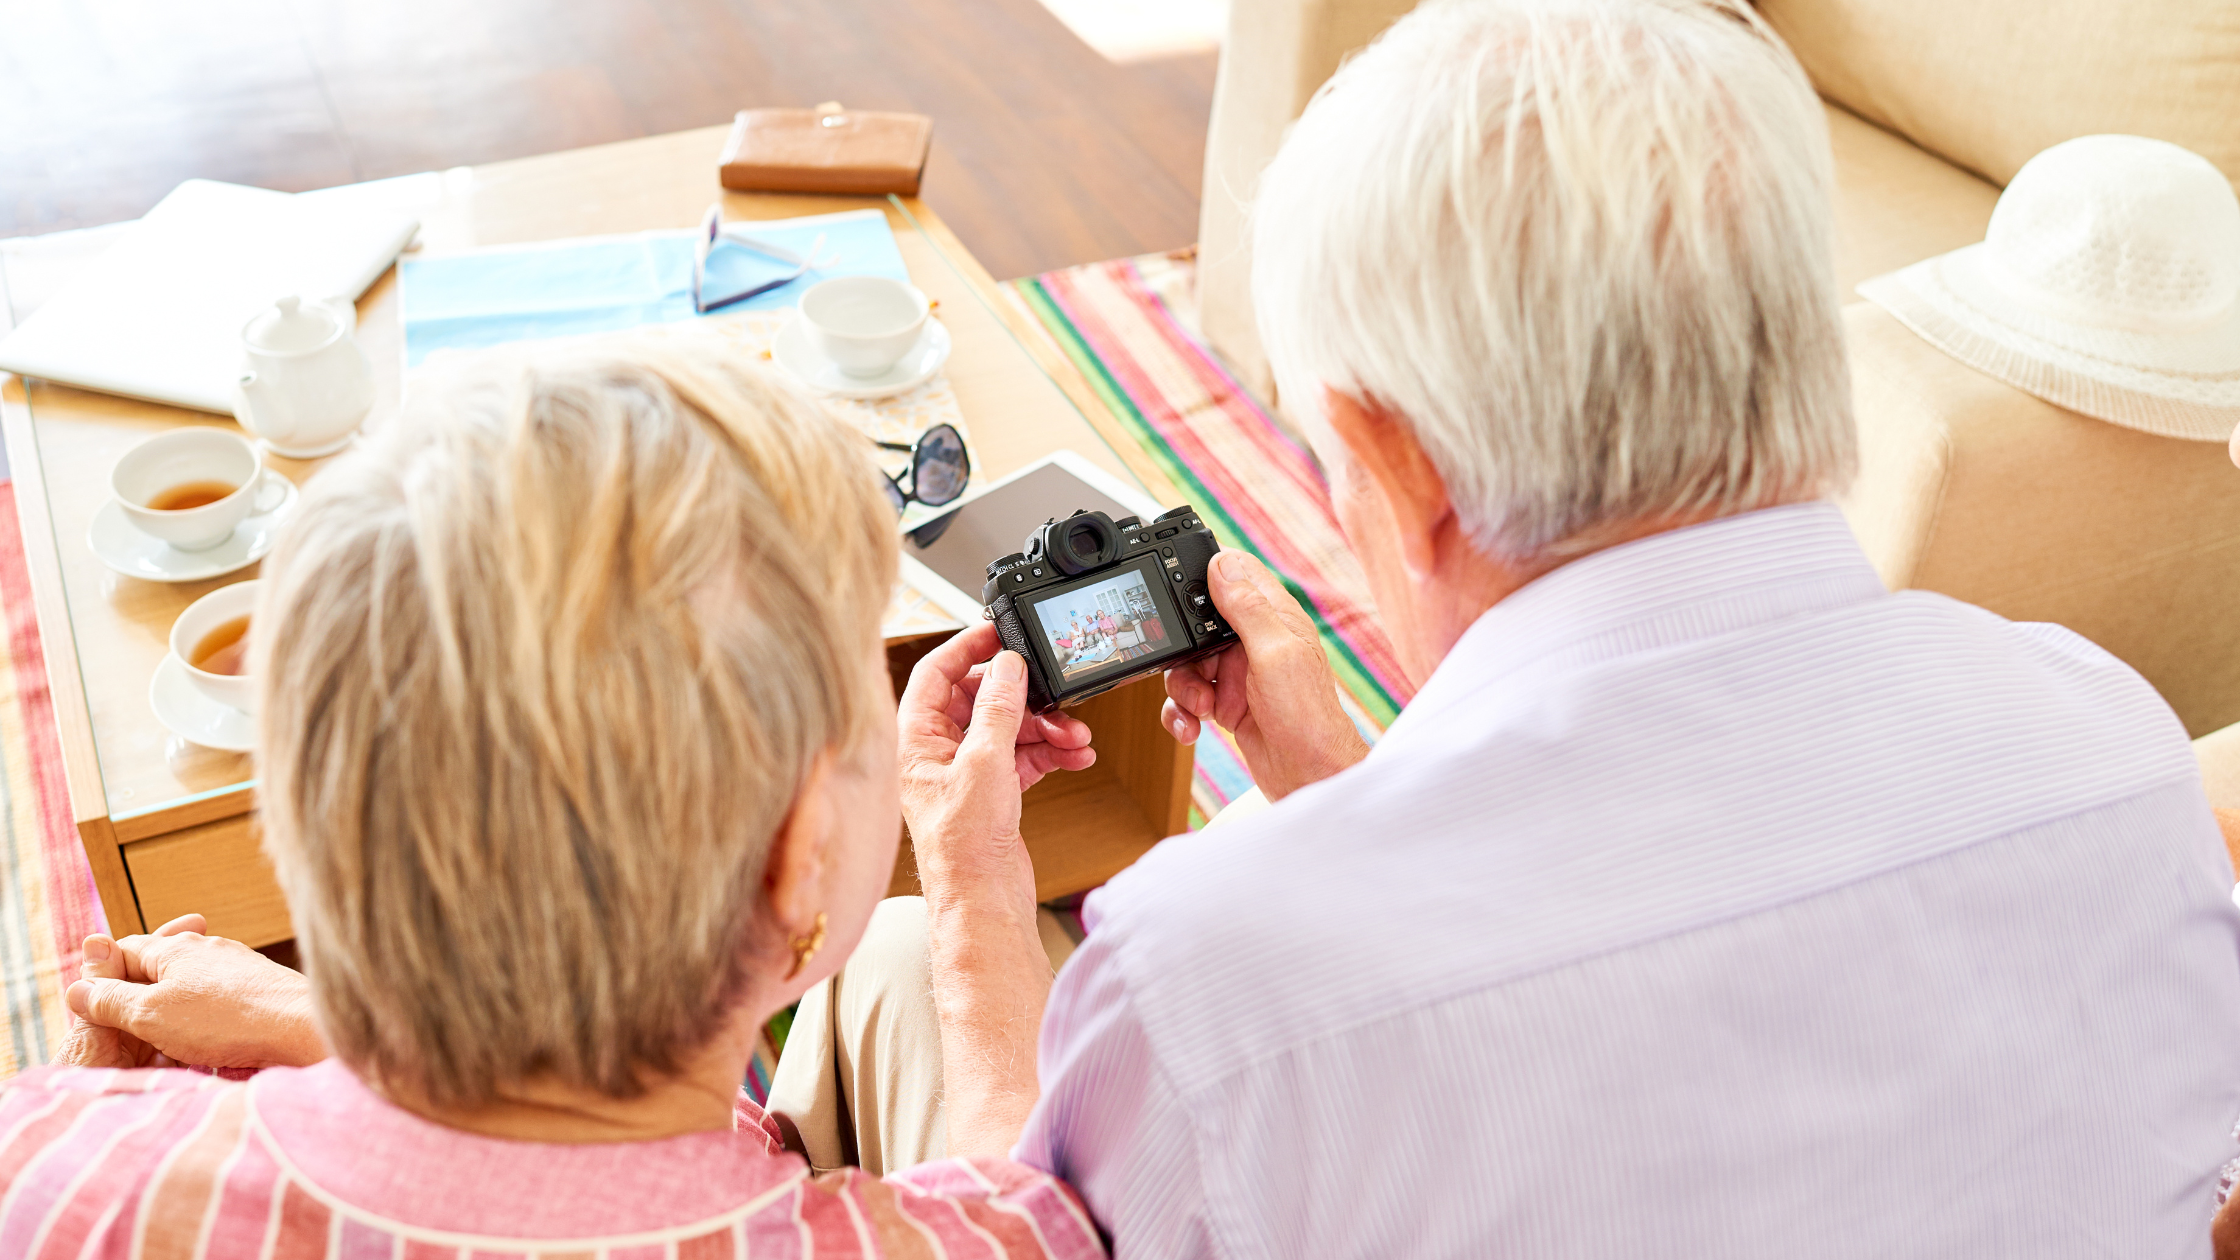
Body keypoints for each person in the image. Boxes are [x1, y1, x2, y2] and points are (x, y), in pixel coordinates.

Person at [784, 0, 2240, 1256]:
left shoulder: (1213, 987)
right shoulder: (2115, 745)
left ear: (1403, 470)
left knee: (902, 970)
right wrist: (1345, 785)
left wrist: (974, 898)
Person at [7, 341, 1106, 1258]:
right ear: (796, 859)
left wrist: (290, 1041)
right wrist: (973, 885)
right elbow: (1009, 1194)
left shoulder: (47, 1163)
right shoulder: (984, 1239)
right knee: (909, 950)